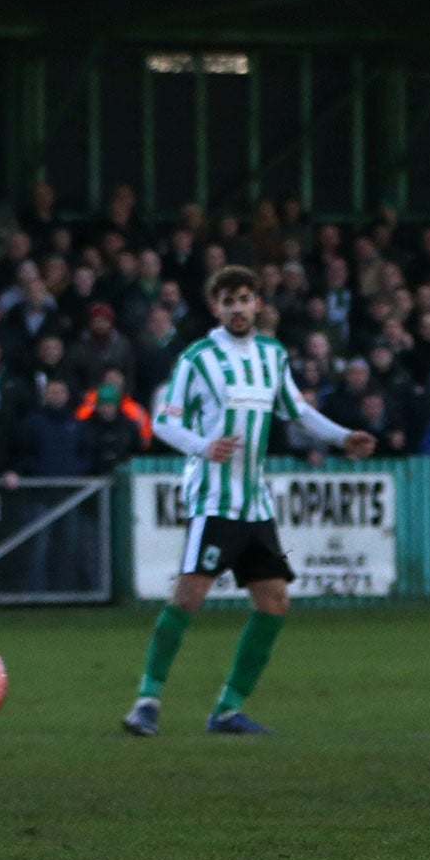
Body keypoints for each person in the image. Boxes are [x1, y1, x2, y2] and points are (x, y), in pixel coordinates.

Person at [123, 266, 374, 739]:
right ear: (215, 307)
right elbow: (163, 422)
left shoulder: (272, 356)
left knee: (275, 602)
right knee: (189, 597)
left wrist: (343, 437)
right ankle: (147, 701)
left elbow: (296, 411)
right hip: (214, 499)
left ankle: (226, 710)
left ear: (258, 303)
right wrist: (203, 446)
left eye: (245, 298)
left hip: (255, 503)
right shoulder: (197, 358)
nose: (237, 308)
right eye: (228, 300)